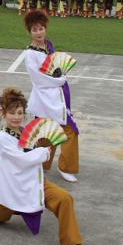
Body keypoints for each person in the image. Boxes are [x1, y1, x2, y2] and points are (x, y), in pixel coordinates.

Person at [0, 88, 83, 245]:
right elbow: (20, 160)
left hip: (35, 183)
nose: (16, 117)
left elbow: (35, 156)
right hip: (12, 188)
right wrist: (43, 153)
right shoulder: (3, 137)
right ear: (3, 113)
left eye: (20, 112)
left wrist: (44, 150)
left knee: (65, 199)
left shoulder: (29, 131)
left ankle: (70, 241)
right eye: (11, 112)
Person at [23, 10, 80, 182]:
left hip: (57, 96)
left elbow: (56, 68)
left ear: (45, 29)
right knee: (49, 132)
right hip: (44, 97)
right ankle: (42, 163)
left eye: (41, 28)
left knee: (68, 130)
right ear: (30, 32)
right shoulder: (30, 53)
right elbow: (38, 79)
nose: (38, 32)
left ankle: (65, 167)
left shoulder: (49, 46)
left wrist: (60, 79)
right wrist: (60, 80)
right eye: (34, 29)